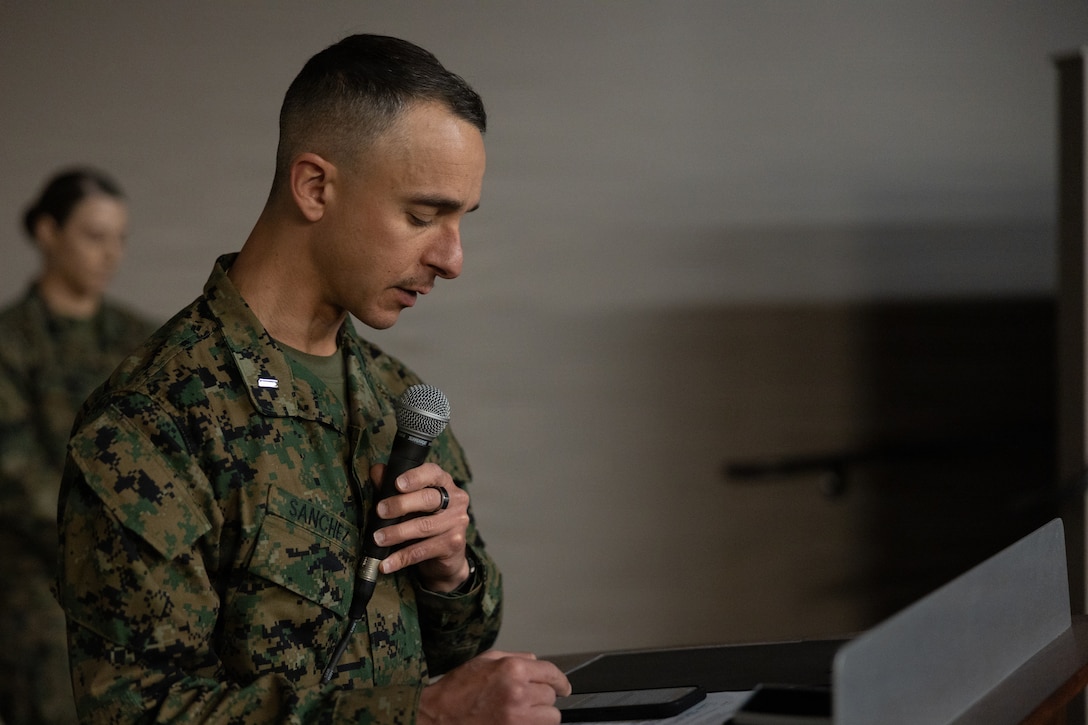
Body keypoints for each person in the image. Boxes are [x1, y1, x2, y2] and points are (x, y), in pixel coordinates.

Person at [56, 34, 571, 724]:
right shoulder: (153, 420)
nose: (452, 259)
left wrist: (453, 572)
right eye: (422, 215)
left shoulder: (398, 400)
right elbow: (137, 711)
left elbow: (462, 642)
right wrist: (419, 716)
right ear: (315, 186)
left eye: (460, 221)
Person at [0, 168, 156, 725]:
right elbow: (14, 472)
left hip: (138, 577)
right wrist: (98, 550)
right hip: (38, 586)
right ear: (47, 232)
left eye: (120, 237)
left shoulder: (141, 342)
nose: (111, 253)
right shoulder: (12, 342)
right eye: (94, 235)